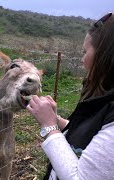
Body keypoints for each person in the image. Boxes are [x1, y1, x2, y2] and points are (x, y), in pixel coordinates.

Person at [26, 12, 114, 180]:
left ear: (105, 56)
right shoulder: (105, 99)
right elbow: (91, 136)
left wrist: (49, 126)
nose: (82, 60)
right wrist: (57, 120)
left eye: (84, 51)